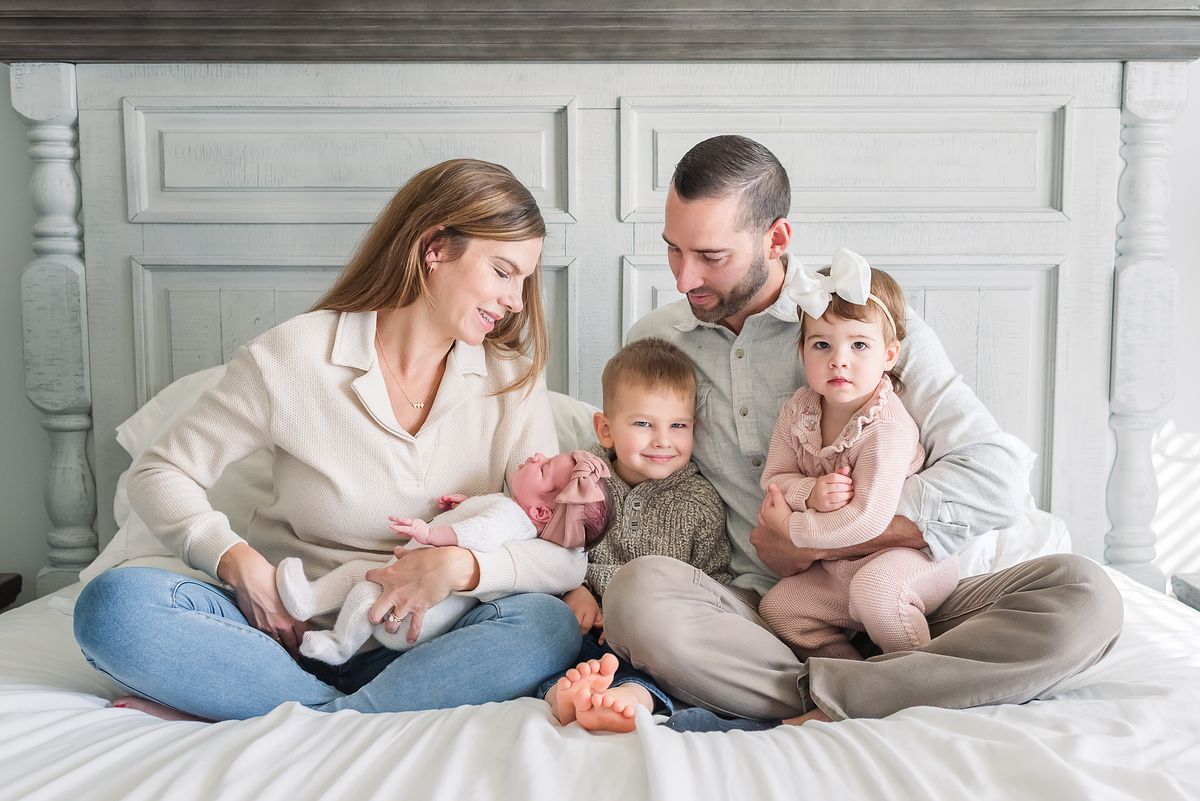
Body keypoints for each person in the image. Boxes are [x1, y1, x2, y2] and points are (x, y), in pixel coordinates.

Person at [602, 134, 1124, 731]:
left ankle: (828, 699)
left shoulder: (863, 320)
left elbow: (994, 477)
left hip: (914, 599)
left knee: (1087, 595)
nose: (683, 277)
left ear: (776, 239)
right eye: (673, 251)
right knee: (635, 597)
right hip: (767, 619)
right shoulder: (659, 341)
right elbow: (638, 479)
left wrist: (817, 541)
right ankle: (893, 690)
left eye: (711, 257)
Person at [72, 158, 588, 723]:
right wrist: (237, 562)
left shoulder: (510, 381)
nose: (516, 300)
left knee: (546, 625)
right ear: (435, 248)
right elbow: (159, 472)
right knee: (114, 609)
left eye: (524, 280)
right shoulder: (293, 356)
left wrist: (460, 569)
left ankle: (311, 715)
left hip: (425, 645)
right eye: (502, 271)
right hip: (282, 635)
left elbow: (553, 551)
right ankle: (357, 713)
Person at [756, 250, 958, 660]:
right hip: (840, 568)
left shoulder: (886, 427)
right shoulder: (800, 410)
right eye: (821, 344)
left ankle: (919, 681)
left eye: (859, 344)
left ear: (889, 355)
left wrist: (794, 530)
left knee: (877, 593)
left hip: (906, 560)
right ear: (803, 352)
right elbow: (774, 477)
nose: (839, 360)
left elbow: (868, 517)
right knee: (778, 608)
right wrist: (808, 493)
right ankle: (852, 677)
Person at [541, 338, 732, 733]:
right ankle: (564, 694)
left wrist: (644, 621)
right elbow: (549, 551)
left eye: (678, 425)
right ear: (606, 430)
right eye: (644, 424)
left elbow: (712, 586)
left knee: (655, 668)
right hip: (582, 624)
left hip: (648, 641)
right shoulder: (581, 482)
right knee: (549, 642)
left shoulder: (699, 503)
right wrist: (571, 590)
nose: (663, 440)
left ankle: (633, 698)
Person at [276, 450, 610, 665]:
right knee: (358, 573)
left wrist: (430, 534)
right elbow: (489, 522)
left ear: (539, 510)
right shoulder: (513, 514)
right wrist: (465, 507)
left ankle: (339, 645)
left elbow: (481, 534)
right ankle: (309, 599)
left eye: (545, 467)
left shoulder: (509, 517)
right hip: (404, 585)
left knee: (365, 592)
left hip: (411, 616)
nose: (536, 456)